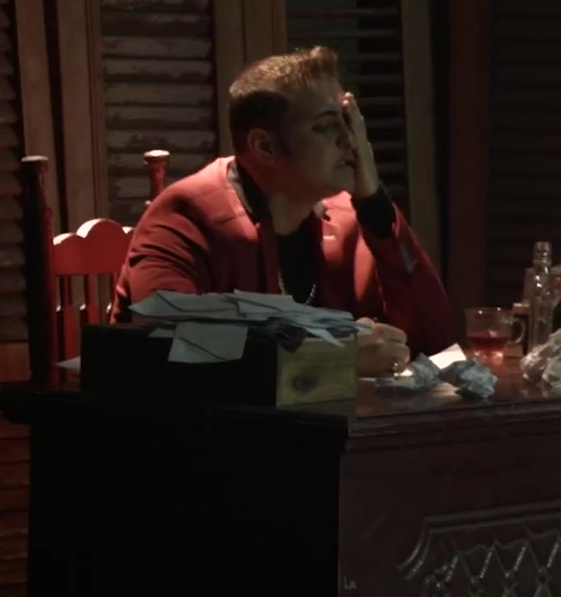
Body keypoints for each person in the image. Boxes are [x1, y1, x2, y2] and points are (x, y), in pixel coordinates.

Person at [114, 46, 455, 376]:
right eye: (326, 126)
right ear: (264, 146)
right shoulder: (186, 216)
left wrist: (374, 203)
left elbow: (433, 340)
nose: (351, 140)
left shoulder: (350, 217)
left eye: (349, 122)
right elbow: (167, 352)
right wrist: (333, 359)